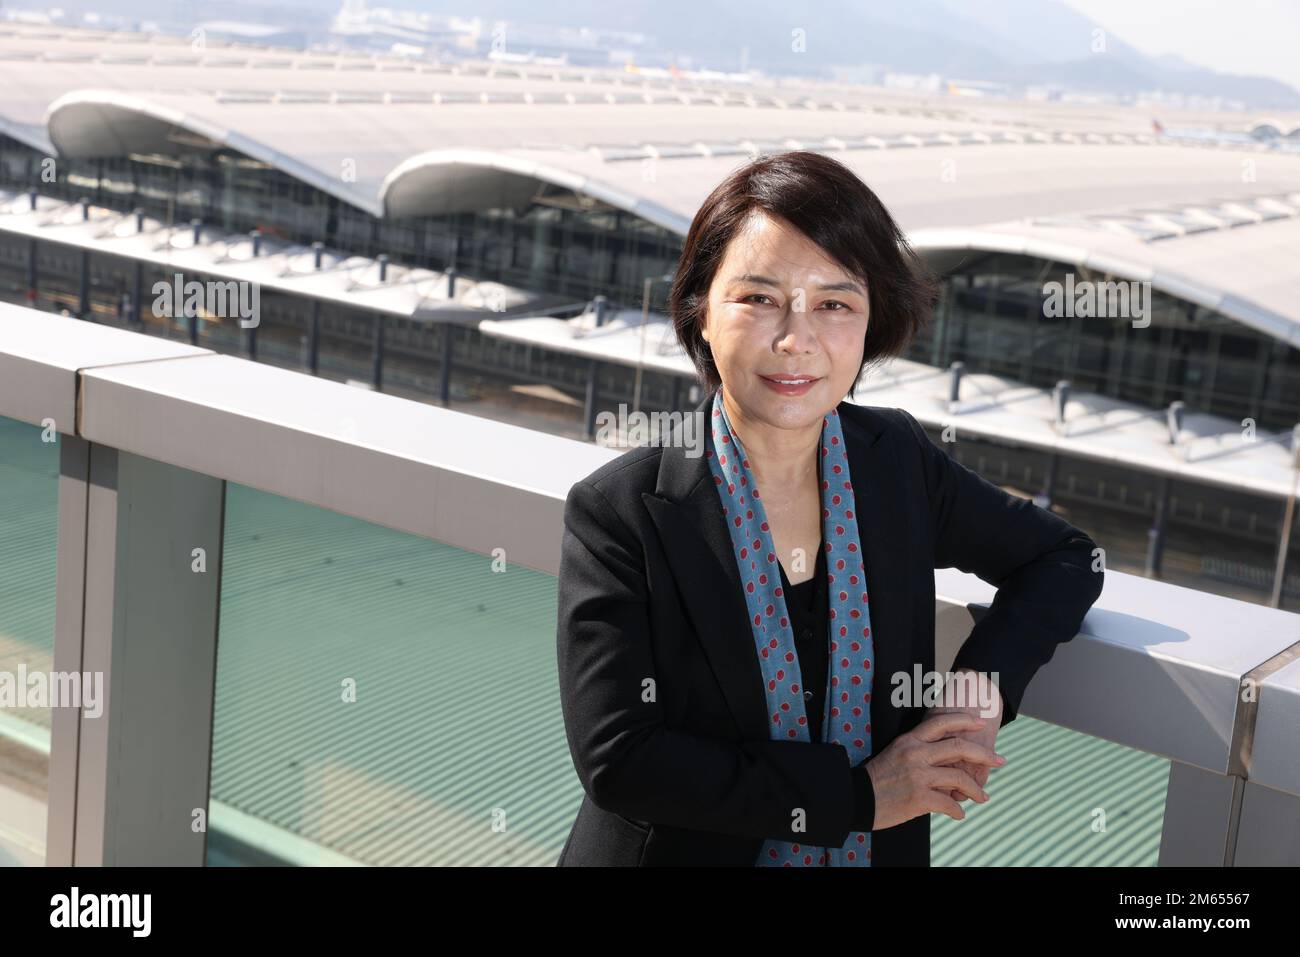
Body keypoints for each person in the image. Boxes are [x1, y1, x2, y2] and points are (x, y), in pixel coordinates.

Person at [554, 150, 1104, 866]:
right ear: (700, 308)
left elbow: (1064, 558)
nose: (796, 339)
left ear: (873, 321)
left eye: (834, 303)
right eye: (759, 298)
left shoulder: (897, 463)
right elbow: (622, 758)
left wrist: (976, 691)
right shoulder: (620, 512)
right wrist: (860, 797)